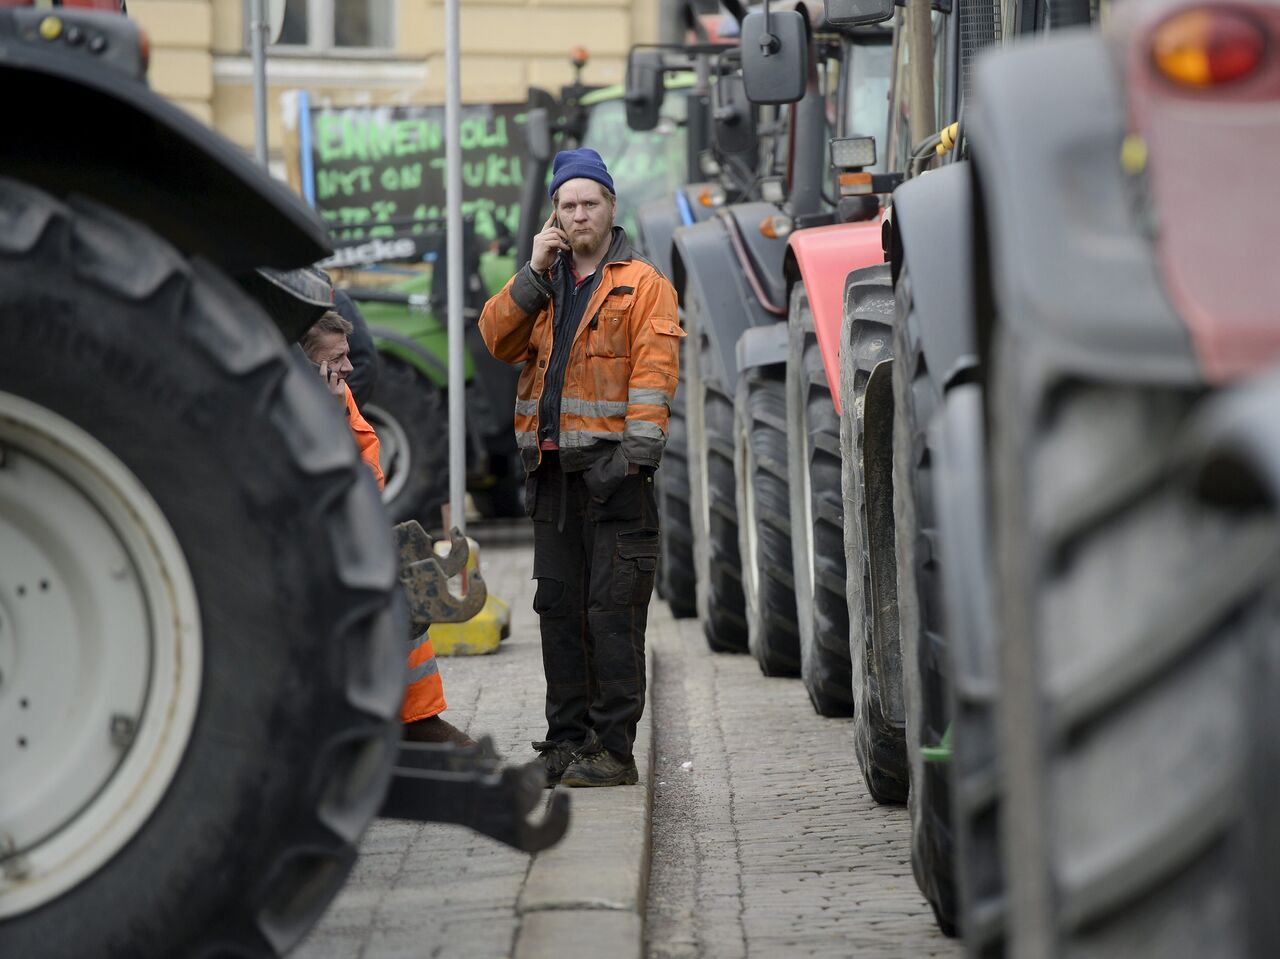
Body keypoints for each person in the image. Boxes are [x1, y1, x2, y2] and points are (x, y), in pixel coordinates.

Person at [478, 148, 683, 787]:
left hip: (615, 478)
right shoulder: (544, 284)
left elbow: (654, 377)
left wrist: (632, 460)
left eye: (589, 203)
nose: (578, 215)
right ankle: (565, 744)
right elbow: (495, 339)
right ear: (554, 215)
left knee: (612, 615)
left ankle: (614, 753)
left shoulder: (644, 285)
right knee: (560, 612)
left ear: (610, 208)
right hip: (552, 479)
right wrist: (531, 273)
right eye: (567, 205)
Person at [301, 310, 472, 747]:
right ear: (308, 362)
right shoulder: (293, 405)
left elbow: (369, 477)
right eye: (338, 357)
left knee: (406, 589)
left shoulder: (337, 396)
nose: (350, 366)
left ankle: (416, 717)